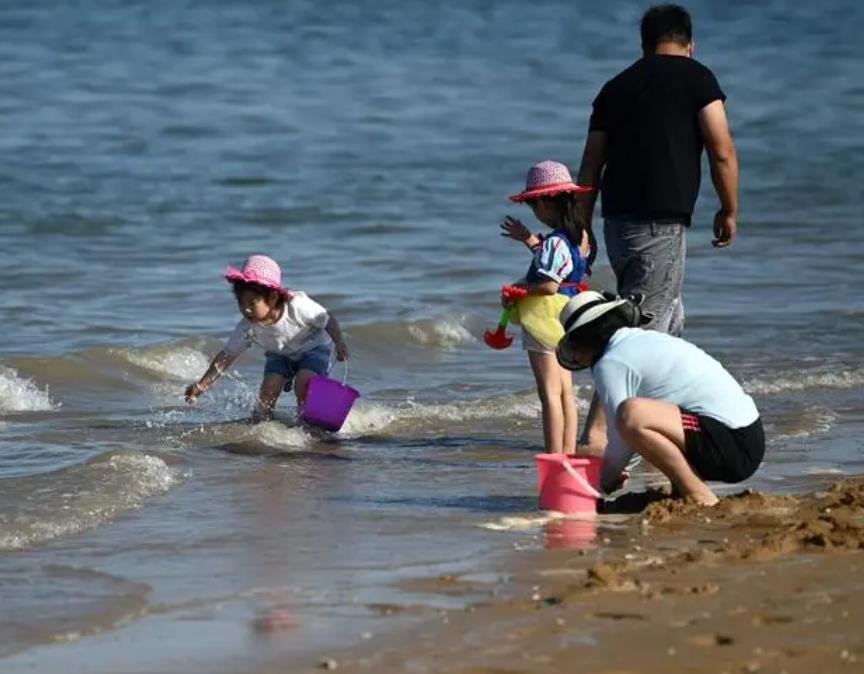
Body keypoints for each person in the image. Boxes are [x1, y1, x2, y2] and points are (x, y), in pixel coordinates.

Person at [575, 3, 739, 337]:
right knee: (645, 337)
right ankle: (612, 392)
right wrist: (728, 209)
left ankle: (667, 391)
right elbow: (721, 151)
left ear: (644, 46)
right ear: (691, 44)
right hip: (659, 228)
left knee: (670, 322)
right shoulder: (698, 78)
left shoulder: (615, 87)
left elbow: (590, 166)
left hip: (617, 226)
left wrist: (581, 226)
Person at [556, 290, 764, 505]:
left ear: (583, 339)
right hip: (745, 436)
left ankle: (698, 494)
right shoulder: (639, 340)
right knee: (647, 410)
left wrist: (604, 481)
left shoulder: (611, 362)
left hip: (734, 445)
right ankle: (683, 489)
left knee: (632, 415)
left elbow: (622, 434)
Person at [499, 160, 596, 455]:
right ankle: (567, 454)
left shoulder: (554, 242)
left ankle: (554, 456)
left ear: (545, 201)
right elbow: (564, 272)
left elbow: (549, 285)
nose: (534, 212)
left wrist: (517, 291)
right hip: (568, 315)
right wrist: (529, 239)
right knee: (566, 392)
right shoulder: (581, 238)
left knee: (549, 395)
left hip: (543, 317)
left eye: (533, 205)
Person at [185, 254, 349, 420]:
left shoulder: (297, 306)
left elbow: (327, 318)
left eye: (252, 303)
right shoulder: (248, 327)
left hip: (313, 349)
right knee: (268, 390)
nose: (246, 310)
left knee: (304, 383)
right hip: (280, 355)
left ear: (272, 297)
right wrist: (201, 386)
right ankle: (261, 422)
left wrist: (339, 342)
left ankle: (307, 421)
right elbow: (226, 357)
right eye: (241, 303)